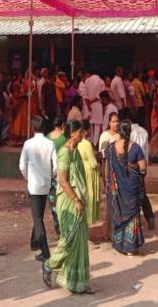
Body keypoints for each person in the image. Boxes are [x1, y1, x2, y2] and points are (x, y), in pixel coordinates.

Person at [42, 119, 93, 294]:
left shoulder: (75, 150)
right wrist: (76, 200)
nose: (83, 134)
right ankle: (49, 265)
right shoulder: (64, 153)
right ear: (72, 134)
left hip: (78, 200)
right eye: (80, 131)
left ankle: (77, 283)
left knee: (80, 241)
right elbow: (63, 181)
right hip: (69, 201)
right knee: (69, 239)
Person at [20, 115, 57, 262]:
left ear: (32, 128)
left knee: (37, 218)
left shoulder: (28, 144)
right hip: (45, 183)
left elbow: (22, 165)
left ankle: (45, 251)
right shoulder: (50, 144)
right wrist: (50, 176)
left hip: (34, 184)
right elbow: (55, 165)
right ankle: (35, 242)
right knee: (39, 215)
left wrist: (27, 177)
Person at [106, 119, 146, 255]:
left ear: (119, 131)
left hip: (117, 189)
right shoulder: (136, 148)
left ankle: (120, 245)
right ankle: (130, 247)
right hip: (132, 188)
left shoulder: (110, 148)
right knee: (132, 216)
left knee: (120, 213)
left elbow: (108, 169)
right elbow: (143, 168)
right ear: (130, 131)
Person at [77, 119, 101, 226]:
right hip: (89, 171)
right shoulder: (86, 143)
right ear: (85, 131)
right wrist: (99, 162)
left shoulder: (77, 142)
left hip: (81, 170)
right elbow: (93, 163)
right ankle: (88, 222)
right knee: (90, 196)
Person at [47, 115, 66, 235]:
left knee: (52, 202)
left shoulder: (47, 137)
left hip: (49, 174)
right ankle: (63, 226)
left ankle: (57, 228)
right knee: (62, 201)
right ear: (62, 125)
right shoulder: (63, 139)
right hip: (61, 173)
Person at [82, 69, 105, 145]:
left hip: (89, 105)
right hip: (97, 105)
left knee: (90, 123)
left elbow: (85, 95)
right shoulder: (101, 81)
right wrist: (93, 101)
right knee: (97, 125)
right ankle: (95, 143)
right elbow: (101, 95)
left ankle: (89, 141)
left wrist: (89, 104)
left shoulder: (87, 81)